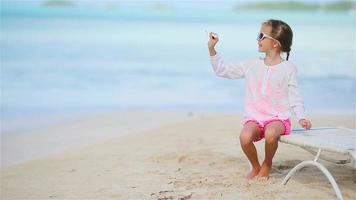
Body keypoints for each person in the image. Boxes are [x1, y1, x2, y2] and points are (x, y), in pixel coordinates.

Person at [207, 19, 312, 180]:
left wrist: (301, 116)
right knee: (244, 137)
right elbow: (223, 71)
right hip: (255, 118)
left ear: (275, 44)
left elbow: (294, 96)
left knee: (271, 133)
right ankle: (256, 166)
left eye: (261, 35)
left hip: (278, 118)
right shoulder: (251, 64)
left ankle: (267, 164)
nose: (258, 39)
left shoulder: (288, 68)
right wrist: (212, 50)